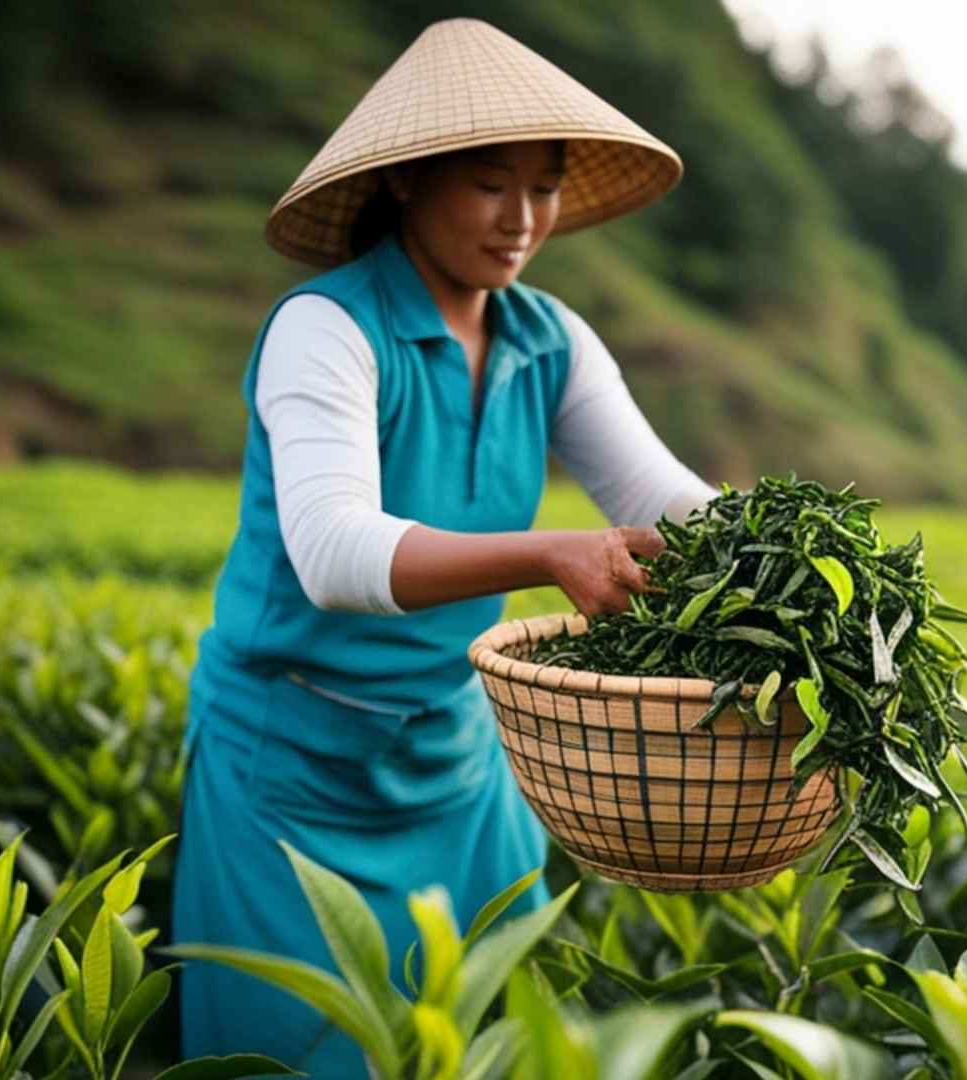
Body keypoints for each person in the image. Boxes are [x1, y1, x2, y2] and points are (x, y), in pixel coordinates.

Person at [169, 18, 713, 1073]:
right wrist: (551, 552)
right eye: (489, 185)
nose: (523, 222)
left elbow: (657, 493)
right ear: (411, 183)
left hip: (459, 767)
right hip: (292, 774)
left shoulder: (546, 339)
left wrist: (803, 554)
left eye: (545, 187)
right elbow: (332, 551)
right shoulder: (325, 328)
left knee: (491, 1048)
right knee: (297, 1056)